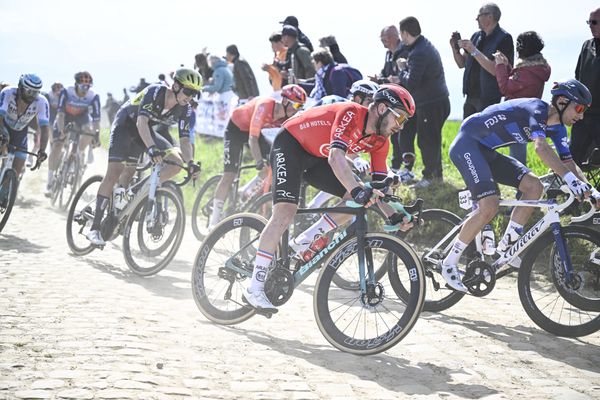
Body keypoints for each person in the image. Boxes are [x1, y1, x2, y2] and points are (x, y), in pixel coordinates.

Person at [242, 84, 415, 312]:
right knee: (285, 213)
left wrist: (395, 215)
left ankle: (304, 240)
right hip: (291, 145)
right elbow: (336, 158)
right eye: (399, 118)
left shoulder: (381, 141)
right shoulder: (352, 113)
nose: (400, 127)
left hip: (316, 157)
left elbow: (379, 188)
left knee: (356, 198)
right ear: (382, 108)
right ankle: (254, 288)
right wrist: (357, 189)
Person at [441, 79, 599, 292]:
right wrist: (571, 181)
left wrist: (592, 191)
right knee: (489, 205)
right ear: (562, 101)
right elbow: (541, 148)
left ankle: (506, 248)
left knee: (534, 187)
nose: (580, 116)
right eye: (579, 108)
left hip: (485, 152)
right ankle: (449, 262)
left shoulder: (559, 130)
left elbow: (569, 163)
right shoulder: (536, 109)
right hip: (467, 144)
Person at [86, 68, 202, 246]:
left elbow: (185, 140)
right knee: (115, 171)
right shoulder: (155, 91)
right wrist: (152, 148)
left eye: (194, 93)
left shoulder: (185, 109)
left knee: (176, 163)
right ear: (176, 86)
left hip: (143, 132)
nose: (190, 97)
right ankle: (94, 228)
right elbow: (142, 122)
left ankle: (132, 193)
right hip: (126, 124)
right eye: (188, 91)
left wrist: (191, 162)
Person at [207, 84, 307, 228]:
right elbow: (252, 140)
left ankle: (244, 191)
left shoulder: (286, 118)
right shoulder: (265, 105)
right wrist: (259, 161)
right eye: (296, 104)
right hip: (236, 129)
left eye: (301, 106)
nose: (297, 109)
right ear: (284, 101)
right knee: (230, 174)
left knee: (272, 164)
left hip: (254, 133)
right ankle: (214, 221)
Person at [395, 16, 450, 188]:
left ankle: (430, 177)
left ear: (405, 32)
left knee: (427, 140)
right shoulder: (423, 45)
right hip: (435, 101)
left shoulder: (419, 52)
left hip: (431, 103)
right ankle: (435, 177)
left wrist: (402, 69)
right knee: (430, 139)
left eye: (401, 33)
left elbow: (411, 82)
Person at [494, 31, 551, 167]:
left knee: (517, 153)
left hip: (516, 116)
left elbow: (505, 88)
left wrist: (500, 66)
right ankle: (521, 186)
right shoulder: (536, 69)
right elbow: (516, 84)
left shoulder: (527, 72)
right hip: (525, 115)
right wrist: (508, 66)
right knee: (517, 149)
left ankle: (521, 187)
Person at [46, 71, 101, 196]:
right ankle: (49, 182)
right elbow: (60, 114)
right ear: (76, 85)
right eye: (83, 86)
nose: (85, 90)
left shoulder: (93, 96)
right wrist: (61, 131)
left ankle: (79, 156)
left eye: (88, 87)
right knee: (57, 146)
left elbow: (96, 120)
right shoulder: (67, 91)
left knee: (89, 129)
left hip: (82, 117)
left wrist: (96, 135)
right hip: (66, 116)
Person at [369, 25, 407, 171]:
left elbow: (406, 77)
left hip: (403, 102)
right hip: (392, 100)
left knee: (403, 136)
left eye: (383, 38)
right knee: (394, 135)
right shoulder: (388, 54)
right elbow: (386, 74)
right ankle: (395, 165)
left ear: (392, 37)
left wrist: (394, 79)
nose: (382, 41)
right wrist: (379, 79)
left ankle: (407, 168)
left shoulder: (405, 51)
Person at [0, 74, 49, 181]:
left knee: (16, 171)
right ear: (20, 87)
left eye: (36, 92)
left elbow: (45, 128)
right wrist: (2, 133)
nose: (32, 96)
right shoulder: (8, 92)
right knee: (2, 141)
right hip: (3, 126)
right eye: (29, 91)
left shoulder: (42, 101)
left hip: (20, 133)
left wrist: (42, 150)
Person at [570, 7, 600, 167]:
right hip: (583, 112)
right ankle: (571, 190)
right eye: (589, 22)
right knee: (573, 154)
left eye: (594, 22)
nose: (591, 25)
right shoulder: (586, 45)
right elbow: (578, 75)